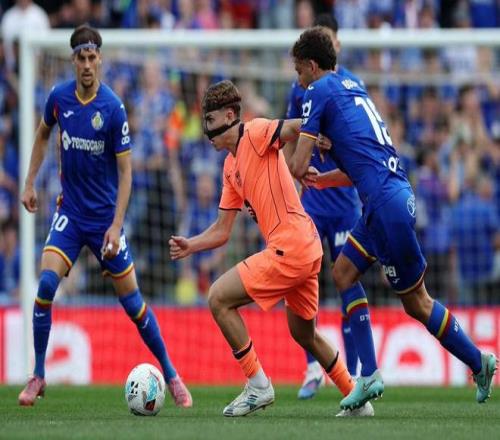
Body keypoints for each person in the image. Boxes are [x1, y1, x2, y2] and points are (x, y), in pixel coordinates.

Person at [288, 27, 497, 410]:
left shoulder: (317, 90)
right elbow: (361, 165)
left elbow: (298, 164)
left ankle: (478, 361)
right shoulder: (352, 88)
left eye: (299, 71)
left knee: (417, 302)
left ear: (312, 66)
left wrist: (291, 161)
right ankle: (368, 374)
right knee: (343, 273)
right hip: (386, 198)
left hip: (385, 204)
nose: (298, 81)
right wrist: (324, 178)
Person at [169, 79, 367, 417]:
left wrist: (320, 133)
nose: (206, 130)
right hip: (305, 248)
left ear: (230, 115)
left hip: (291, 247)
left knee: (218, 298)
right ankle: (355, 397)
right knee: (304, 333)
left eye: (210, 120)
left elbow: (291, 127)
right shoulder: (230, 168)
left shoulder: (256, 132)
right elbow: (222, 230)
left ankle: (258, 384)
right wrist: (192, 245)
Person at [18, 25, 192, 408]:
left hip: (104, 223)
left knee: (134, 305)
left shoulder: (112, 108)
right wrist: (29, 182)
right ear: (73, 60)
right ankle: (38, 375)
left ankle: (172, 374)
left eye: (92, 57)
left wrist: (116, 225)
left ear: (100, 60)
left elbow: (126, 173)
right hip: (70, 214)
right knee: (45, 286)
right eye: (80, 58)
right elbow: (43, 134)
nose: (86, 64)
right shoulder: (58, 98)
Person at [285, 13, 364, 403]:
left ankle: (356, 371)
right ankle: (313, 366)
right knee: (301, 276)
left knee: (347, 280)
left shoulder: (351, 85)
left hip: (345, 203)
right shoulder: (301, 88)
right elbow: (290, 133)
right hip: (313, 200)